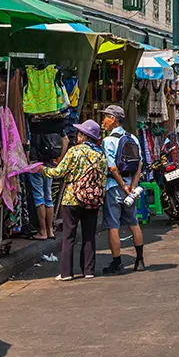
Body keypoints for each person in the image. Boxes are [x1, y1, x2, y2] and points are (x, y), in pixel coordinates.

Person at [43, 119, 108, 282]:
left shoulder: (75, 151)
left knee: (68, 236)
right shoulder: (100, 154)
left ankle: (66, 273)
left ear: (84, 136)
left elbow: (58, 172)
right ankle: (88, 270)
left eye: (79, 133)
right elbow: (103, 179)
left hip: (72, 198)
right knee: (89, 236)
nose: (77, 136)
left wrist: (42, 169)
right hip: (92, 199)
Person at [99, 106, 145, 275]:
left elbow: (112, 168)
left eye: (106, 117)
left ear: (113, 119)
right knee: (134, 223)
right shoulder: (132, 138)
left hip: (114, 187)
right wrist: (132, 186)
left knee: (113, 226)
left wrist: (123, 186)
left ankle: (117, 262)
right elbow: (139, 163)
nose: (103, 121)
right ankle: (140, 260)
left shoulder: (108, 141)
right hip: (130, 188)